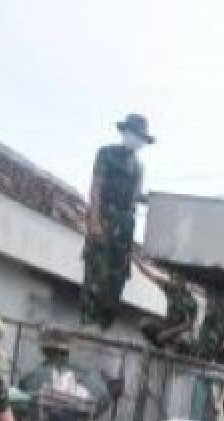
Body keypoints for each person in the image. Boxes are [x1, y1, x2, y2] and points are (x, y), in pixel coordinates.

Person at [81, 113, 154, 330]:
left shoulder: (139, 166)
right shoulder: (106, 154)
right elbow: (96, 187)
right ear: (125, 133)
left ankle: (104, 325)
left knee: (117, 278)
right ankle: (88, 323)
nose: (137, 140)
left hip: (125, 227)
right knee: (96, 272)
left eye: (141, 137)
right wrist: (94, 221)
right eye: (134, 134)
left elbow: (135, 196)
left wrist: (154, 201)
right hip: (105, 219)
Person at [17, 328, 113, 421]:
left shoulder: (31, 376)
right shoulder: (91, 376)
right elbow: (105, 401)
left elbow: (19, 410)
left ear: (43, 350)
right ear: (69, 350)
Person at [136, 261, 198, 351]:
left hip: (181, 332)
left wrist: (168, 333)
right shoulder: (169, 288)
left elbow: (188, 325)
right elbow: (149, 275)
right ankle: (161, 345)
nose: (173, 281)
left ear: (183, 281)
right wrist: (135, 259)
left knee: (179, 342)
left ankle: (173, 347)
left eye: (177, 279)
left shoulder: (190, 301)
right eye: (172, 278)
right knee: (144, 323)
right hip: (168, 327)